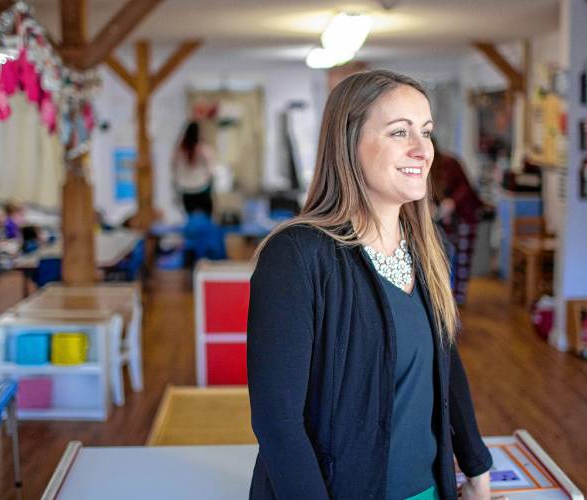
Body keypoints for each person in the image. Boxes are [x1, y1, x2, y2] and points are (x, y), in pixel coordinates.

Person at [247, 70, 494, 500]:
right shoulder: (297, 256)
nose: (423, 149)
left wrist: (476, 466)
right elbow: (277, 422)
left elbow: (445, 362)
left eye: (427, 132)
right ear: (348, 143)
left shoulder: (430, 246)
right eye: (400, 132)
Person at [429, 138, 486, 306]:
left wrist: (452, 202)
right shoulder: (424, 167)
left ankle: (458, 299)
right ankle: (445, 296)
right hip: (446, 219)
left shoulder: (449, 163)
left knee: (462, 258)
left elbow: (466, 189)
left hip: (465, 215)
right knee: (444, 255)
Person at [172, 121, 216, 216]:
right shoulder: (203, 149)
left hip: (185, 189)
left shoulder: (179, 150)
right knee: (206, 217)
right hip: (202, 187)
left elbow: (174, 169)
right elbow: (211, 169)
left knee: (191, 218)